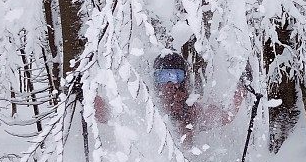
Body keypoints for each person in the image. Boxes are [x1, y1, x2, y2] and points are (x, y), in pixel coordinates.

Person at [94, 52, 248, 144]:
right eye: (164, 76)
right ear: (156, 79)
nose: (171, 83)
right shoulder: (148, 108)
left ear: (184, 79)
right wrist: (88, 93)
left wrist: (244, 83)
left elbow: (226, 115)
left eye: (176, 75)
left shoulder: (192, 109)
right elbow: (107, 113)